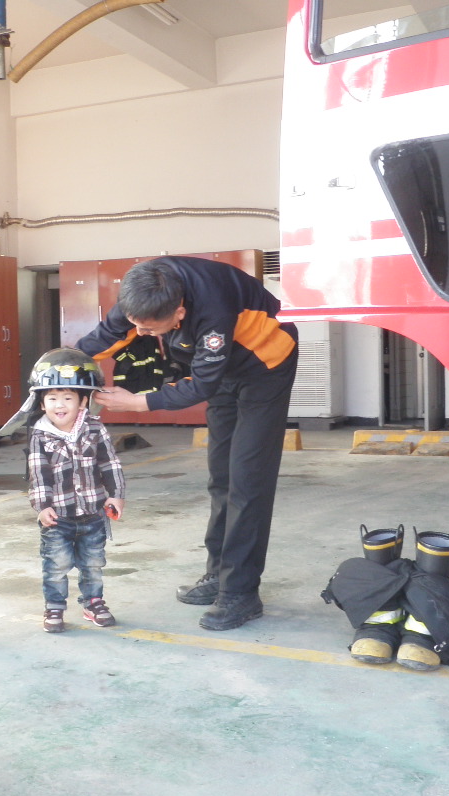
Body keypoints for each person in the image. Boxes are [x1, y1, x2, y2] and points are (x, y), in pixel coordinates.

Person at [77, 256, 298, 631]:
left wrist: (137, 402)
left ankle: (241, 593)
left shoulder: (213, 307)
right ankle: (218, 575)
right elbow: (104, 337)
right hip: (224, 367)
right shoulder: (143, 294)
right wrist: (62, 366)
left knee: (248, 479)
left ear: (179, 312)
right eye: (135, 323)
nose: (140, 333)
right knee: (221, 476)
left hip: (265, 364)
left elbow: (202, 385)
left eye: (149, 329)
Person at [24, 348, 126, 634]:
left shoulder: (95, 428)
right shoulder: (39, 435)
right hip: (58, 518)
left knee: (93, 563)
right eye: (52, 398)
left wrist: (116, 494)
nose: (60, 405)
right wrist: (42, 506)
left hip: (93, 513)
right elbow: (38, 473)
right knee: (56, 565)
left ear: (83, 401)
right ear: (42, 403)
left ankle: (93, 603)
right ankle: (54, 607)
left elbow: (110, 462)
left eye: (68, 398)